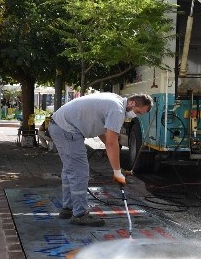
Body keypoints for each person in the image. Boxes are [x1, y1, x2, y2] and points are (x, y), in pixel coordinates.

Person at [48, 92, 152, 226]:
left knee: (71, 169)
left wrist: (110, 144)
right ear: (132, 103)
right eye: (138, 112)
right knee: (79, 172)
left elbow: (104, 133)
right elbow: (111, 143)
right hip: (67, 129)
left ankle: (68, 208)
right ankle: (79, 214)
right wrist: (117, 172)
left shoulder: (116, 101)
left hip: (60, 125)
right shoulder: (117, 110)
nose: (136, 115)